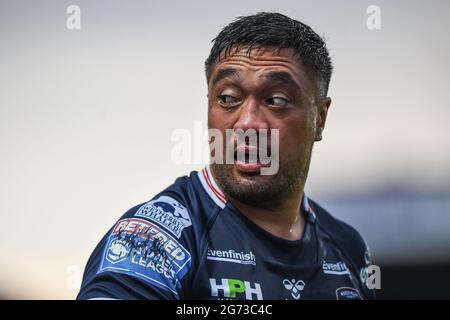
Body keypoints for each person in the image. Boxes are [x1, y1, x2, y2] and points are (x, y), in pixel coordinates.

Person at [77, 12, 375, 300]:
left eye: (276, 100)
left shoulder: (347, 248)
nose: (247, 123)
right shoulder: (154, 238)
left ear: (319, 118)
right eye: (228, 98)